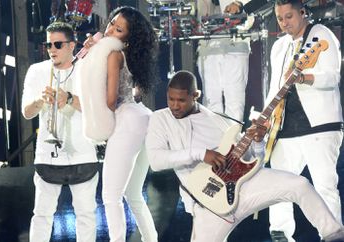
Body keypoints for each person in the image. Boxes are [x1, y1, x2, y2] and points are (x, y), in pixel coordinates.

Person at [145, 70, 344, 242]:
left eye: (181, 100)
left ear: (196, 95)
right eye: (171, 99)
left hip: (245, 188)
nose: (175, 105)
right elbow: (156, 161)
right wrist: (201, 153)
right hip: (210, 201)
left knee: (300, 185)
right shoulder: (160, 119)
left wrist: (258, 140)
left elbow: (254, 159)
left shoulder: (218, 120)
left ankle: (334, 235)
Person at [265, 0, 343, 241]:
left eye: (289, 16)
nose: (284, 23)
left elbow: (332, 77)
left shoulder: (320, 35)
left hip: (319, 125)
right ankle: (280, 234)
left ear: (302, 12)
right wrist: (265, 119)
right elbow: (274, 87)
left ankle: (332, 233)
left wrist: (305, 77)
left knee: (323, 186)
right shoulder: (278, 46)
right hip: (285, 126)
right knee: (279, 186)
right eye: (280, 18)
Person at [79, 6, 158, 242]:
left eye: (119, 29)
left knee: (110, 196)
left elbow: (111, 100)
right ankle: (151, 239)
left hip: (126, 120)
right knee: (133, 193)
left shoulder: (114, 55)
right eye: (112, 23)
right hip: (143, 117)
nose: (111, 29)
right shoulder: (126, 54)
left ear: (128, 36)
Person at [21, 21, 99, 242]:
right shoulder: (37, 71)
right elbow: (27, 112)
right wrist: (41, 100)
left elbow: (99, 108)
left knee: (86, 215)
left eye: (57, 44)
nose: (51, 49)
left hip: (83, 151)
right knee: (42, 215)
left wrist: (70, 99)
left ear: (71, 45)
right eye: (48, 45)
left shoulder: (86, 69)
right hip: (48, 155)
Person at [196, 0, 251, 122]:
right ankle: (215, 139)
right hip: (207, 43)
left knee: (235, 101)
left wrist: (238, 3)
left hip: (235, 40)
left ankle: (233, 140)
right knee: (210, 102)